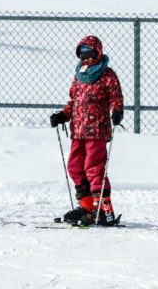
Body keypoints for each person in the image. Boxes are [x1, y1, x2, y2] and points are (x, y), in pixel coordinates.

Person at [50, 36, 124, 226]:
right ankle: (87, 206)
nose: (86, 59)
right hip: (78, 130)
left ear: (98, 53)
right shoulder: (79, 75)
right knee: (75, 166)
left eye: (90, 54)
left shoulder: (107, 75)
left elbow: (116, 97)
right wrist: (63, 115)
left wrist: (117, 111)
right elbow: (74, 103)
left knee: (94, 168)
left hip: (97, 130)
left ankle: (103, 210)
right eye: (82, 55)